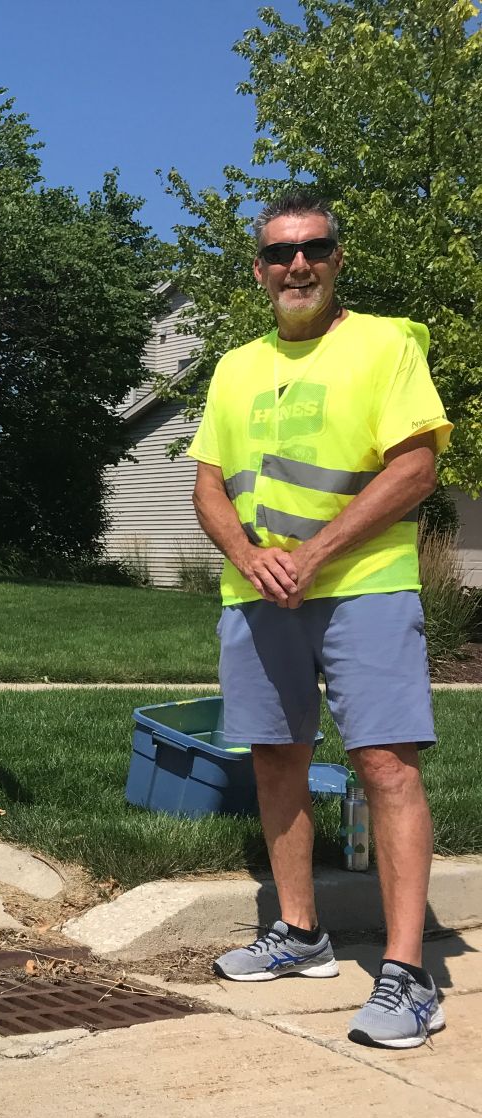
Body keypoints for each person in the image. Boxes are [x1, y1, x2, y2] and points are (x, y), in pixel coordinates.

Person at [190, 191, 451, 1050]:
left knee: (385, 764)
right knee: (276, 759)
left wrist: (313, 553)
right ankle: (300, 935)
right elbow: (207, 485)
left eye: (314, 248)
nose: (296, 264)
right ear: (259, 270)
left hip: (366, 586)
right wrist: (249, 557)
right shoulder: (233, 366)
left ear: (337, 260)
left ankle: (408, 975)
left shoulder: (386, 343)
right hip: (258, 596)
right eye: (279, 253)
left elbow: (414, 468)